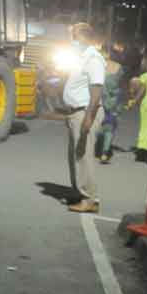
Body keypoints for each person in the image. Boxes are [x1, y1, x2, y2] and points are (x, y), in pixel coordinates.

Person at [62, 23, 105, 213]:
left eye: (73, 37)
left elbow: (96, 90)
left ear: (83, 36)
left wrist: (88, 118)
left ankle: (89, 199)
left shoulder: (93, 58)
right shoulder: (80, 58)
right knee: (76, 156)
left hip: (85, 111)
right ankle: (80, 193)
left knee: (84, 156)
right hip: (75, 112)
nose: (71, 41)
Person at [96, 44, 123, 163]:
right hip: (113, 101)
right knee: (109, 128)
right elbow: (118, 84)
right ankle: (105, 153)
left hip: (98, 100)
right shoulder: (119, 67)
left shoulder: (96, 67)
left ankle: (98, 148)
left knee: (98, 127)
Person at [128, 56, 147, 164]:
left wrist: (133, 101)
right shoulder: (146, 76)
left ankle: (144, 151)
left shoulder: (146, 76)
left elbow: (141, 91)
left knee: (146, 127)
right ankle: (146, 150)